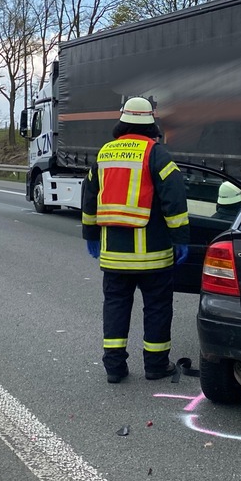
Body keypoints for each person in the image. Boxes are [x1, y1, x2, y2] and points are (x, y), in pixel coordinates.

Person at [81, 96, 190, 384]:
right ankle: (155, 365)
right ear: (151, 122)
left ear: (122, 121)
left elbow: (89, 198)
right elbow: (174, 197)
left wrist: (90, 235)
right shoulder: (156, 153)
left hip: (114, 255)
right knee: (157, 308)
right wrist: (181, 237)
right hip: (153, 254)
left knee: (115, 306)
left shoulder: (105, 154)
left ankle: (114, 368)